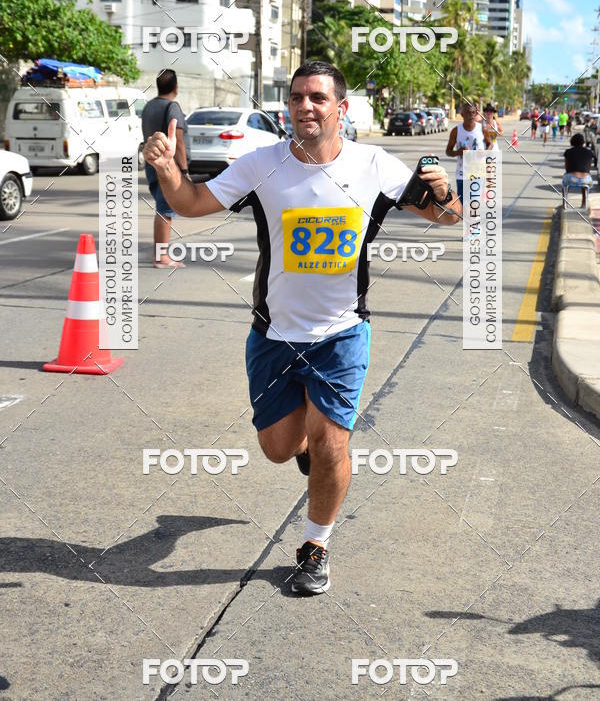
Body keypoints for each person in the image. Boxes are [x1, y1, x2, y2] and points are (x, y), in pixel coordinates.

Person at [144, 60, 462, 595]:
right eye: (297, 98)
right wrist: (167, 170)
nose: (305, 106)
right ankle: (306, 454)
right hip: (273, 335)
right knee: (277, 445)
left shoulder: (374, 166)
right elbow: (190, 202)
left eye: (317, 98)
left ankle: (316, 544)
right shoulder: (260, 164)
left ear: (341, 108)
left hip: (342, 334)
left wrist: (446, 189)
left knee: (333, 441)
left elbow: (448, 218)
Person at [141, 69, 189, 268]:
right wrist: (184, 170)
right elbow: (177, 140)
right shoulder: (173, 107)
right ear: (176, 88)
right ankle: (161, 257)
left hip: (151, 161)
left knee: (162, 207)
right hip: (166, 164)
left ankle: (161, 253)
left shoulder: (148, 106)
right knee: (165, 210)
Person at [446, 101, 492, 204]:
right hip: (462, 173)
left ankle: (473, 219)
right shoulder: (456, 131)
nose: (471, 115)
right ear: (462, 114)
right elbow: (448, 151)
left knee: (474, 203)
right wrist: (458, 152)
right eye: (467, 112)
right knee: (462, 204)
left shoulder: (482, 129)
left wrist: (484, 153)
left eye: (473, 112)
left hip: (477, 172)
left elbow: (490, 144)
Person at [562, 132, 595, 209]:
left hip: (572, 178)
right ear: (583, 142)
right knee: (585, 185)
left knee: (565, 184)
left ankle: (565, 203)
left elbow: (567, 168)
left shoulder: (568, 152)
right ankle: (584, 203)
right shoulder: (589, 152)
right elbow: (588, 169)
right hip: (586, 180)